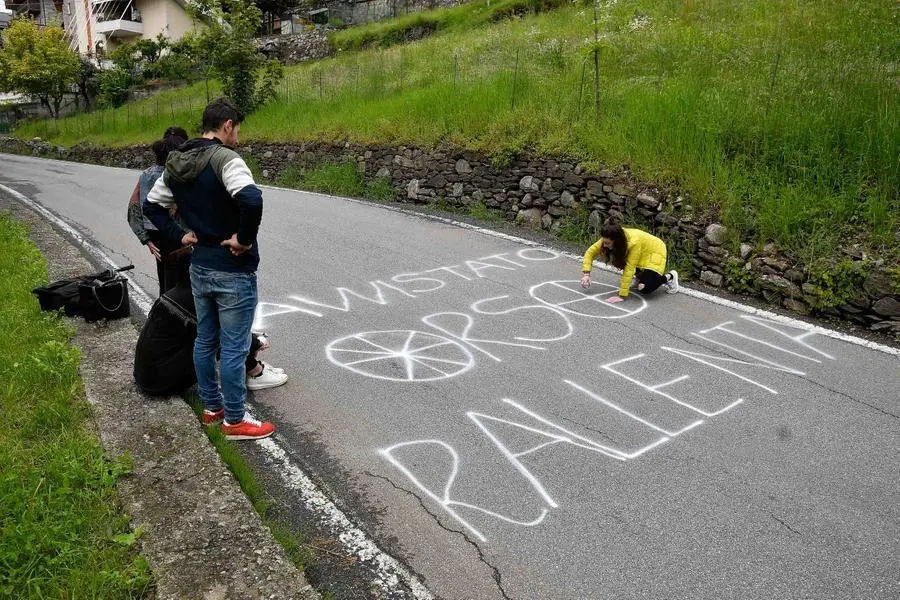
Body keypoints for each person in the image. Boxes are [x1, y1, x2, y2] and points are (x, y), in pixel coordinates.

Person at [145, 97, 277, 441]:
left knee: (205, 340)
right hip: (232, 269)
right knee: (233, 347)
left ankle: (212, 408)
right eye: (237, 128)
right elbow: (251, 199)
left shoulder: (177, 163)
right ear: (227, 125)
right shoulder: (225, 159)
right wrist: (244, 240)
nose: (238, 135)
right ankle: (235, 420)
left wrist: (181, 235)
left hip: (200, 266)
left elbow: (152, 206)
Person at [134, 282, 287, 396]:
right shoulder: (203, 301)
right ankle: (256, 372)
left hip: (147, 374)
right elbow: (228, 336)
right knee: (217, 340)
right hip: (161, 382)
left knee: (215, 334)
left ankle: (252, 368)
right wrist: (255, 342)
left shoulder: (185, 290)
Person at [126, 126, 191, 295]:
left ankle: (165, 315)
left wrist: (145, 238)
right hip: (183, 237)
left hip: (157, 237)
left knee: (166, 283)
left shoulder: (146, 175)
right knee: (185, 285)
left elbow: (133, 209)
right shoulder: (185, 173)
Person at [580, 220, 679, 302]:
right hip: (643, 251)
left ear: (617, 241)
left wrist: (621, 295)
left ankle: (670, 277)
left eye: (607, 243)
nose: (604, 245)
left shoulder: (633, 243)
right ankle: (640, 276)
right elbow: (590, 252)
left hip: (655, 251)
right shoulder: (609, 236)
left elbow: (630, 267)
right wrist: (586, 274)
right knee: (617, 260)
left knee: (645, 288)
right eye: (603, 242)